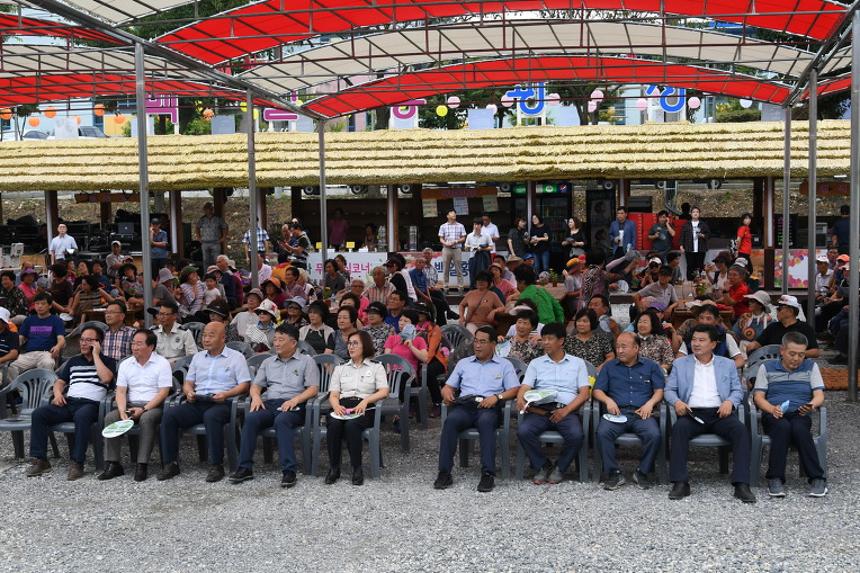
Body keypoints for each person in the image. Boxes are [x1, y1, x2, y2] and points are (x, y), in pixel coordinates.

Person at [665, 324, 756, 503]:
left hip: (719, 412)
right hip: (692, 412)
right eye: (693, 340)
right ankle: (680, 482)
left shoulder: (727, 364)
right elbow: (669, 390)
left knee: (740, 431)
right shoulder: (680, 364)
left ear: (713, 344)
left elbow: (738, 390)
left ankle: (741, 484)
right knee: (678, 430)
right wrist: (677, 402)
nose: (696, 344)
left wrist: (730, 402)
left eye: (701, 340)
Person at [158, 322, 252, 483]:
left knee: (211, 416)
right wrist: (189, 392)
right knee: (169, 416)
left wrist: (226, 394)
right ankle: (170, 463)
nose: (206, 339)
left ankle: (216, 465)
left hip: (224, 402)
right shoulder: (198, 357)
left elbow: (245, 385)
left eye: (211, 335)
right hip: (199, 400)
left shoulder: (236, 358)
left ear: (223, 338)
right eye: (204, 335)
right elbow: (189, 382)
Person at [229, 324, 320, 487]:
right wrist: (256, 397)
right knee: (251, 419)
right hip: (270, 404)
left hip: (294, 405)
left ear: (293, 343)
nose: (276, 343)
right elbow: (256, 385)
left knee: (282, 421)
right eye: (275, 339)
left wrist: (295, 400)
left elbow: (313, 388)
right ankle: (244, 468)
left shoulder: (307, 361)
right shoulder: (268, 362)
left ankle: (289, 470)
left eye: (281, 340)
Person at [434, 326, 520, 492]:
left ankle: (488, 474)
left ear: (493, 344)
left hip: (489, 405)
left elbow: (514, 389)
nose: (478, 345)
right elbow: (448, 386)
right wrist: (446, 392)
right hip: (466, 405)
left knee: (487, 423)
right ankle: (444, 472)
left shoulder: (504, 365)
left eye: (483, 342)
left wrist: (497, 397)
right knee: (450, 421)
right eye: (476, 341)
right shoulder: (464, 363)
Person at [26, 326, 117, 480]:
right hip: (69, 403)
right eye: (82, 339)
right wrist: (57, 394)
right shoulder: (73, 361)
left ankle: (77, 462)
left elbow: (107, 378)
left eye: (88, 340)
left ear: (98, 342)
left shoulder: (108, 361)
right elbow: (60, 381)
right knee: (39, 414)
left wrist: (96, 355)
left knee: (82, 416)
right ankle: (40, 460)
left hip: (91, 405)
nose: (83, 343)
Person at [752, 332, 827, 498]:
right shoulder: (767, 367)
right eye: (792, 353)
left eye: (801, 354)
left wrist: (811, 405)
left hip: (800, 412)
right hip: (774, 412)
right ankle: (775, 478)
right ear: (782, 351)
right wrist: (771, 409)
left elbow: (819, 395)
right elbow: (758, 397)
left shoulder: (810, 367)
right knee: (782, 427)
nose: (797, 358)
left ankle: (817, 478)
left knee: (800, 429)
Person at [516, 323, 590, 485]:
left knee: (576, 435)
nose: (546, 343)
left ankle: (560, 468)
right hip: (541, 409)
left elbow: (584, 393)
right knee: (524, 431)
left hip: (566, 409)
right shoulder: (536, 363)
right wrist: (521, 398)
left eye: (550, 339)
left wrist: (566, 411)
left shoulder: (577, 363)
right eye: (544, 339)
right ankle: (542, 465)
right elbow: (525, 386)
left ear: (561, 341)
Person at [98, 329, 172, 482]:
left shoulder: (162, 363)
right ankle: (113, 463)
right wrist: (122, 411)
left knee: (147, 419)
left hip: (153, 406)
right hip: (130, 405)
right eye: (133, 343)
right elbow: (120, 391)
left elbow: (163, 392)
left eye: (139, 344)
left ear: (151, 347)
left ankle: (142, 464)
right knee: (111, 417)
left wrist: (144, 409)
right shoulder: (126, 364)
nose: (134, 347)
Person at [593, 332, 665, 490]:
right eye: (617, 347)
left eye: (624, 347)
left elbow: (659, 390)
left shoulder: (651, 366)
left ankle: (642, 472)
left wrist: (650, 403)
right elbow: (597, 390)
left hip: (642, 413)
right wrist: (608, 400)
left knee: (654, 434)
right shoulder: (609, 366)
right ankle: (613, 473)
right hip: (616, 413)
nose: (619, 350)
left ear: (636, 348)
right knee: (603, 432)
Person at [325, 330, 389, 486]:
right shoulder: (340, 368)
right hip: (342, 404)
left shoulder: (376, 367)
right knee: (333, 424)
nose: (351, 347)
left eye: (355, 343)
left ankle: (356, 468)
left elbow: (383, 391)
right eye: (349, 343)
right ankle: (334, 467)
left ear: (364, 345)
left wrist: (366, 401)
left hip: (364, 406)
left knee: (352, 425)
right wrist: (336, 406)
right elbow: (333, 394)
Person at [7, 292, 65, 381]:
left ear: (50, 306)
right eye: (37, 304)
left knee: (47, 363)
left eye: (43, 303)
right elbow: (20, 338)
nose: (39, 306)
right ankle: (21, 391)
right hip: (29, 354)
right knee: (11, 366)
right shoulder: (29, 320)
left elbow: (61, 339)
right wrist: (13, 347)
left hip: (46, 353)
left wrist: (57, 346)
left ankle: (45, 392)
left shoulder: (56, 320)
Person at [747, 295, 820, 359]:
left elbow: (816, 352)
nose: (776, 311)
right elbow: (758, 343)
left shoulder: (805, 328)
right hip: (773, 366)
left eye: (779, 309)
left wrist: (797, 354)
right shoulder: (772, 327)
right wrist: (752, 345)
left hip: (797, 366)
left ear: (790, 311)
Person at [677, 303, 746, 369]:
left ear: (716, 320)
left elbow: (740, 360)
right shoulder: (691, 335)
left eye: (708, 318)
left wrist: (725, 368)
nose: (704, 322)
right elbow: (680, 357)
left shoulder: (725, 337)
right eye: (701, 318)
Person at [414, 302, 447, 415]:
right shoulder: (412, 327)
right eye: (417, 311)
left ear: (427, 314)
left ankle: (437, 403)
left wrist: (422, 363)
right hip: (416, 357)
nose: (418, 314)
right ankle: (411, 405)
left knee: (426, 372)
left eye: (421, 312)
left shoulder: (434, 328)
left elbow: (431, 351)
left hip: (435, 359)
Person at [153, 301, 198, 367]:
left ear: (174, 316)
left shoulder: (184, 332)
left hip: (178, 368)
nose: (162, 317)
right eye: (160, 314)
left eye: (165, 314)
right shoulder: (153, 332)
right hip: (158, 367)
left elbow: (192, 355)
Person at [733, 290, 774, 355]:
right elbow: (735, 334)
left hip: (762, 354)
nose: (749, 303)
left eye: (752, 301)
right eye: (750, 301)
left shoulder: (770, 322)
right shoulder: (744, 317)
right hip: (742, 352)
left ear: (760, 305)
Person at [438, 210, 467, 292]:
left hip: (457, 249)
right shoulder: (443, 226)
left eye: (455, 214)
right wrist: (445, 243)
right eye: (452, 214)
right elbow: (441, 238)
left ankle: (460, 287)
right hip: (446, 249)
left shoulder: (460, 225)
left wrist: (456, 241)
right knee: (445, 269)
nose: (454, 215)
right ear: (448, 216)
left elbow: (463, 238)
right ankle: (446, 287)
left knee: (459, 269)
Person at [680, 207, 711, 279]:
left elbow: (709, 234)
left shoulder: (703, 224)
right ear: (691, 214)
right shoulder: (686, 224)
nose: (695, 213)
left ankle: (700, 283)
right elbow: (682, 236)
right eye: (694, 212)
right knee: (690, 266)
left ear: (699, 214)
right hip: (689, 248)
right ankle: (690, 282)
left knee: (700, 266)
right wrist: (681, 246)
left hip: (700, 249)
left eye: (697, 212)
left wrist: (703, 235)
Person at [195, 202, 228, 267]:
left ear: (212, 209)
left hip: (215, 242)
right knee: (205, 261)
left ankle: (217, 275)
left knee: (216, 260)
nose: (207, 210)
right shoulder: (202, 219)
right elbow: (197, 227)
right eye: (205, 209)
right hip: (205, 242)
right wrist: (198, 237)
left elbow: (225, 227)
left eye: (208, 209)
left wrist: (223, 237)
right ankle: (206, 275)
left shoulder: (218, 219)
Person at [0, 308, 20, 377]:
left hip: (3, 365)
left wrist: (0, 360)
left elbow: (14, 354)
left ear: (5, 323)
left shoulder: (12, 335)